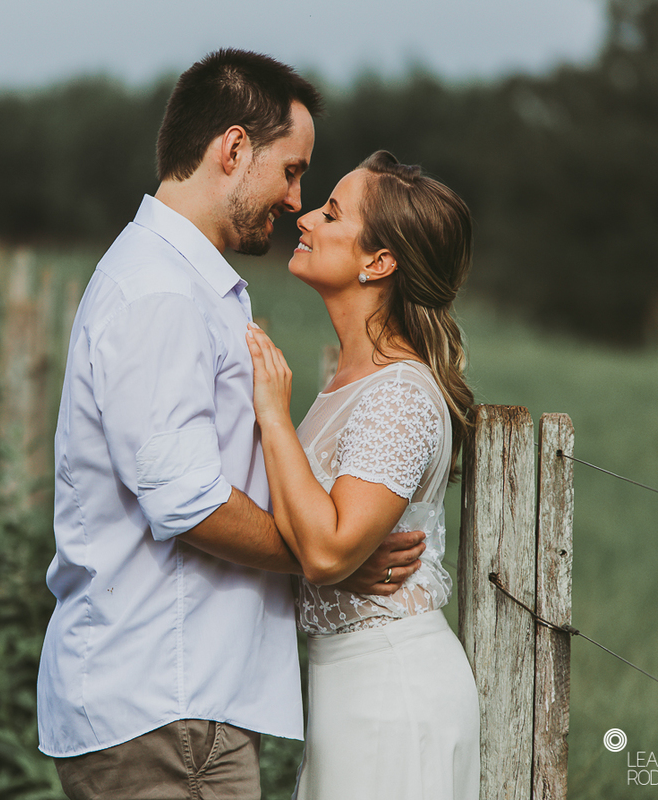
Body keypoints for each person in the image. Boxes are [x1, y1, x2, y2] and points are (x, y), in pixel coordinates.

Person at [36, 51, 427, 799]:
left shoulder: (180, 282)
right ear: (235, 149)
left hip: (178, 703)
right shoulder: (162, 294)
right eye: (291, 171)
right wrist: (324, 558)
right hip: (165, 706)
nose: (296, 200)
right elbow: (187, 502)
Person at [245, 150, 481, 799]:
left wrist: (272, 415)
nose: (305, 218)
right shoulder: (351, 382)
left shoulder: (399, 393)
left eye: (331, 213)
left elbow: (326, 551)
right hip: (348, 693)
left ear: (378, 263)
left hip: (391, 694)